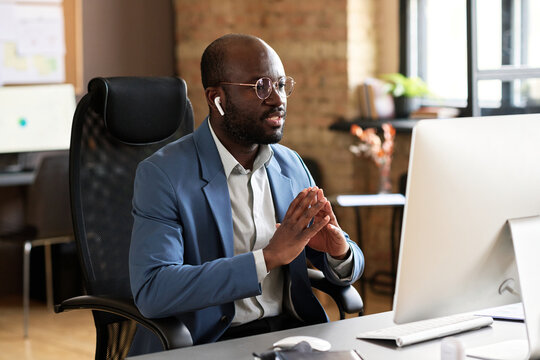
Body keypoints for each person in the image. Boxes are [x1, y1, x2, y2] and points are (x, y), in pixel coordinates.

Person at [129, 33, 364, 355]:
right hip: (207, 342)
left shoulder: (290, 164)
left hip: (289, 338)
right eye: (261, 87)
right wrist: (267, 258)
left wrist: (339, 253)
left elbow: (347, 261)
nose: (277, 99)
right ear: (217, 99)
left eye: (281, 85)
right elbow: (154, 290)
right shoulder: (163, 175)